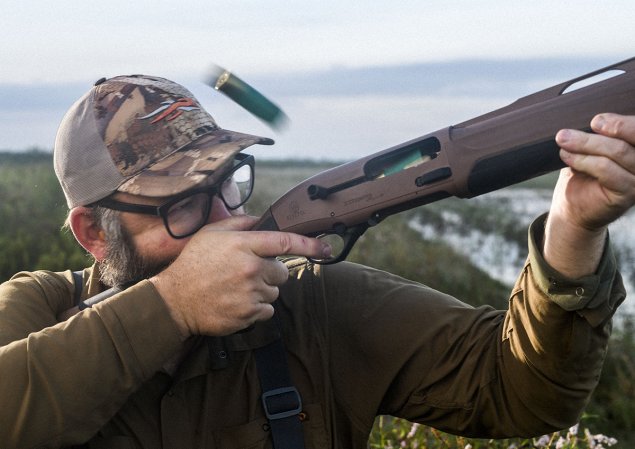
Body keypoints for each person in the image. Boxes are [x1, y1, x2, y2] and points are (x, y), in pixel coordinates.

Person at [0, 74, 632, 449]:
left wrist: (574, 231)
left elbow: (523, 394)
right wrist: (172, 305)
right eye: (183, 207)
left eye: (226, 183)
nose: (225, 220)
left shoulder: (310, 303)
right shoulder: (37, 309)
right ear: (94, 232)